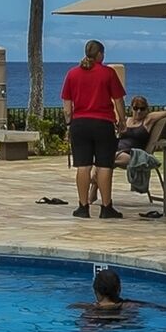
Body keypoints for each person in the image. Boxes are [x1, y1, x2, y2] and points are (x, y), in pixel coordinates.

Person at [60, 39, 127, 218]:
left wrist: (69, 124)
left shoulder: (72, 74)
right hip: (103, 124)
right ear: (99, 55)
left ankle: (83, 207)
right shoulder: (108, 74)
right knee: (104, 165)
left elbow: (67, 106)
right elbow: (118, 100)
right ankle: (106, 207)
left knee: (83, 166)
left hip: (80, 124)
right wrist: (122, 120)